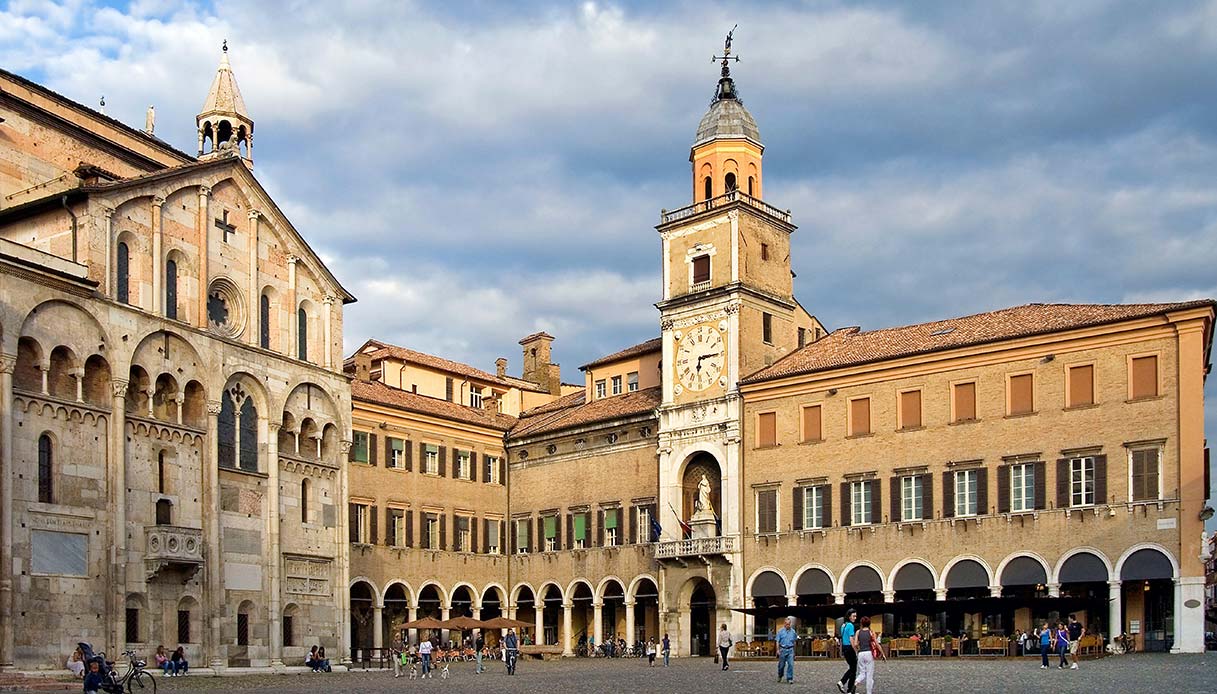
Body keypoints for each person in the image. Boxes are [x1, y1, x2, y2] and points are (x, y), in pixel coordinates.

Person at [854, 615, 886, 694]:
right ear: (869, 623)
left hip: (861, 653)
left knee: (862, 673)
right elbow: (877, 644)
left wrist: (859, 645)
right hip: (869, 653)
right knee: (869, 675)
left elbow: (855, 644)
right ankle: (869, 692)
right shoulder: (871, 632)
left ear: (861, 623)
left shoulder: (858, 632)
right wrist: (883, 654)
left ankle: (856, 682)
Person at [837, 609, 858, 693]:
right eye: (853, 616)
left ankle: (847, 687)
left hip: (845, 648)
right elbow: (851, 639)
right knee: (854, 669)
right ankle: (845, 684)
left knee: (852, 668)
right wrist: (856, 650)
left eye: (855, 616)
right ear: (849, 616)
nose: (855, 618)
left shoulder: (843, 625)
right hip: (850, 648)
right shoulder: (850, 626)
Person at [776, 616, 798, 683]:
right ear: (784, 624)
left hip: (790, 650)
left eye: (789, 624)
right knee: (781, 665)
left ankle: (789, 678)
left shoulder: (793, 632)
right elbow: (777, 641)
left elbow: (794, 642)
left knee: (791, 664)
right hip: (783, 649)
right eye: (786, 624)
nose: (788, 625)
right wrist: (777, 650)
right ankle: (780, 675)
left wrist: (795, 652)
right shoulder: (780, 631)